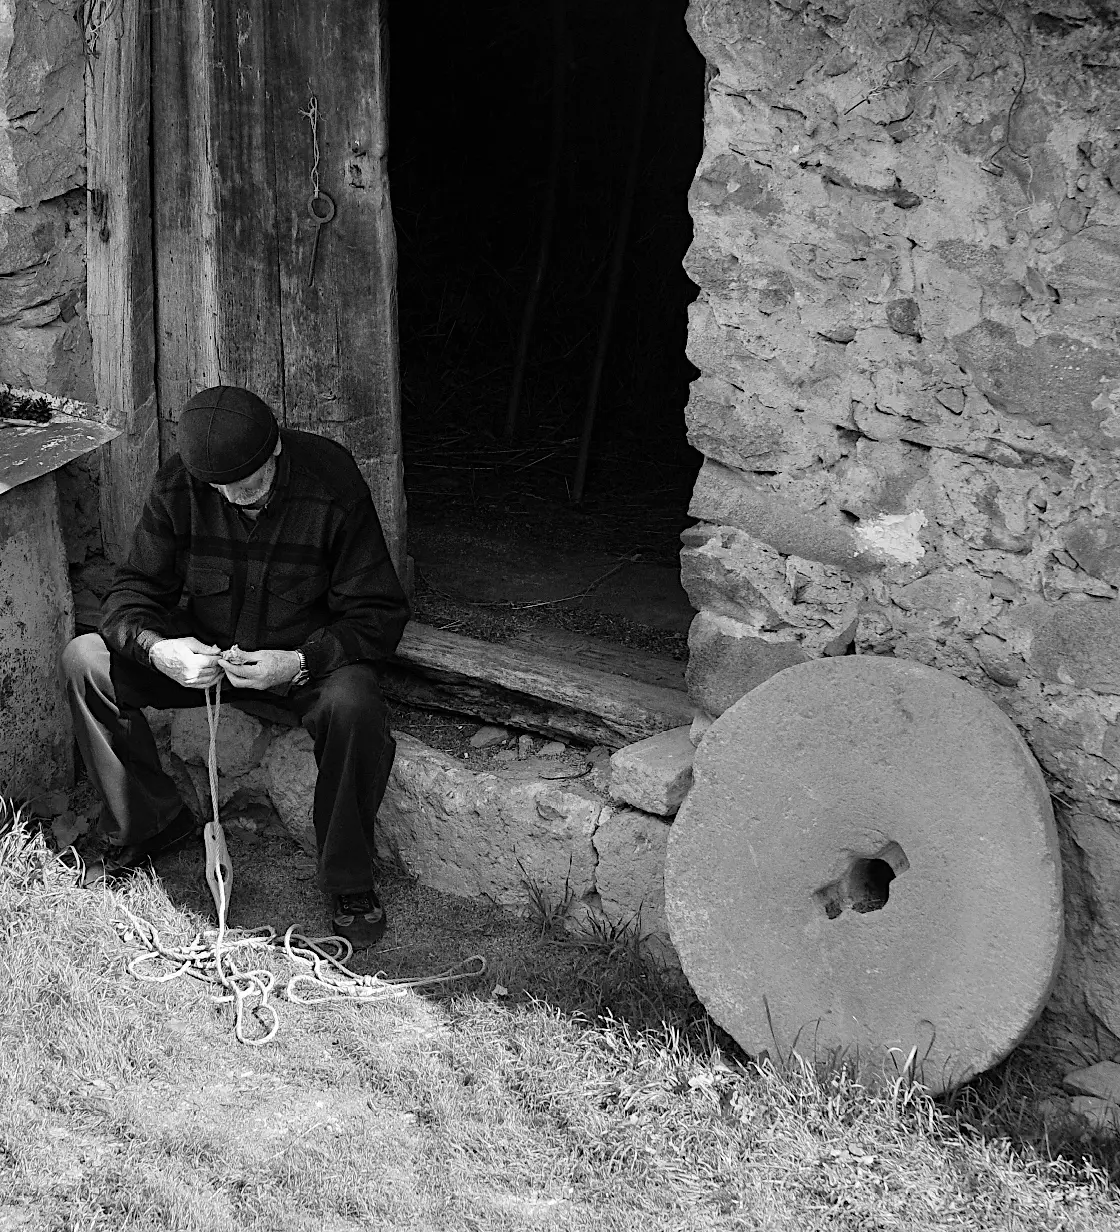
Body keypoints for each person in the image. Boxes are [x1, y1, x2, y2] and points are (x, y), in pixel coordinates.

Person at [61, 386, 409, 949]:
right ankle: (150, 821)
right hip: (207, 657)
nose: (230, 497)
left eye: (246, 488)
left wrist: (297, 662)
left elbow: (379, 614)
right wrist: (160, 651)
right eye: (218, 489)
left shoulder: (331, 481)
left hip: (299, 663)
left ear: (274, 451)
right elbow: (132, 594)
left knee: (356, 705)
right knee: (85, 660)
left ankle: (349, 878)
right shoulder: (183, 482)